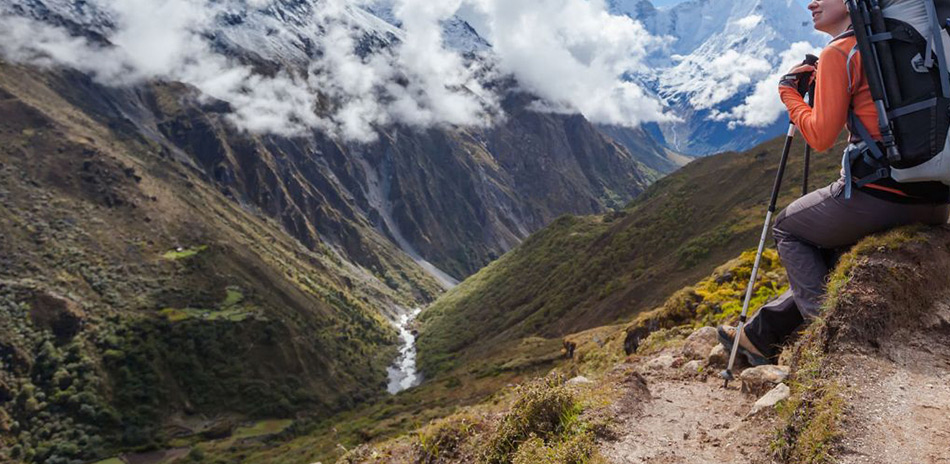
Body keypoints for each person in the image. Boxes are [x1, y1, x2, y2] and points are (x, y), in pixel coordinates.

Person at [718, 0, 950, 365]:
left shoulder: (841, 52)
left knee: (790, 229)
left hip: (881, 196)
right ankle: (760, 337)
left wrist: (790, 95)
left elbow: (821, 136)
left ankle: (828, 342)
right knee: (830, 245)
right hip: (936, 198)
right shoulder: (912, 44)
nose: (810, 3)